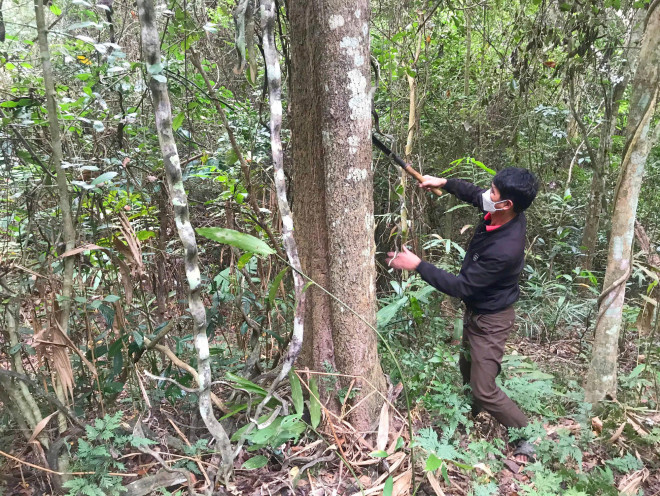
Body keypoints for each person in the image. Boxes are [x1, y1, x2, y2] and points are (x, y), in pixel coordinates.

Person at [385, 168, 539, 464]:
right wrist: (443, 183)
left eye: (493, 192)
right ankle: (471, 421)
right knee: (466, 370)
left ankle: (526, 434)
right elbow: (474, 195)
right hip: (478, 311)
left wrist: (418, 265)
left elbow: (461, 287)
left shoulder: (506, 248)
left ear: (507, 204)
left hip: (492, 320)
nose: (486, 194)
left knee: (483, 389)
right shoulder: (504, 210)